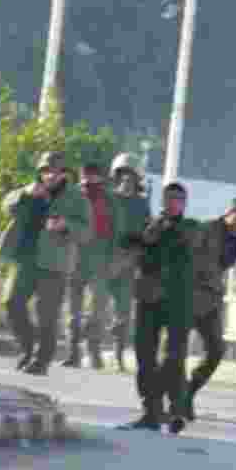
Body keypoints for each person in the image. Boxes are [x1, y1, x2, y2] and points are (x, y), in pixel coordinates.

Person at [0, 151, 91, 376]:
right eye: (46, 170)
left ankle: (41, 361)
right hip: (26, 258)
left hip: (55, 263)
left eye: (56, 171)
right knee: (11, 302)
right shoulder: (30, 189)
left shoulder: (76, 198)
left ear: (64, 174)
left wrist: (66, 225)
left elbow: (87, 232)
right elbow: (6, 206)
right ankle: (27, 346)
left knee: (47, 315)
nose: (50, 175)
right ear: (40, 171)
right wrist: (24, 194)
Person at [121, 182, 199, 435]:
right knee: (145, 355)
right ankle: (151, 412)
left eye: (179, 199)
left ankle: (175, 410)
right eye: (170, 198)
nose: (174, 203)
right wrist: (147, 232)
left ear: (184, 203)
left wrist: (161, 230)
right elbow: (129, 242)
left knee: (174, 358)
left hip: (178, 302)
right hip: (149, 298)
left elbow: (187, 244)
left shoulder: (191, 227)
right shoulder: (150, 225)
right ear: (163, 201)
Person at [182, 197, 236, 421]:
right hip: (190, 296)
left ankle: (189, 392)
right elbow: (189, 256)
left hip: (211, 300)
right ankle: (176, 399)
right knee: (175, 351)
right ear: (228, 213)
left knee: (216, 350)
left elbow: (224, 265)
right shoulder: (207, 228)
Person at [63, 163, 116, 369]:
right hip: (75, 256)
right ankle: (72, 352)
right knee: (73, 310)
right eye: (86, 178)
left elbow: (115, 230)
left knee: (98, 310)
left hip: (100, 258)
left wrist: (112, 259)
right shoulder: (72, 196)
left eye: (94, 177)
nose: (89, 182)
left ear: (100, 178)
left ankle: (94, 352)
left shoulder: (109, 200)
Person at [106, 152, 151, 372]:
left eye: (130, 176)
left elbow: (146, 236)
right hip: (103, 262)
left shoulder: (141, 205)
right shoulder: (107, 199)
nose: (126, 180)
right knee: (94, 309)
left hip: (128, 264)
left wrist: (129, 259)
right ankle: (88, 351)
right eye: (122, 175)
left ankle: (117, 355)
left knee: (123, 314)